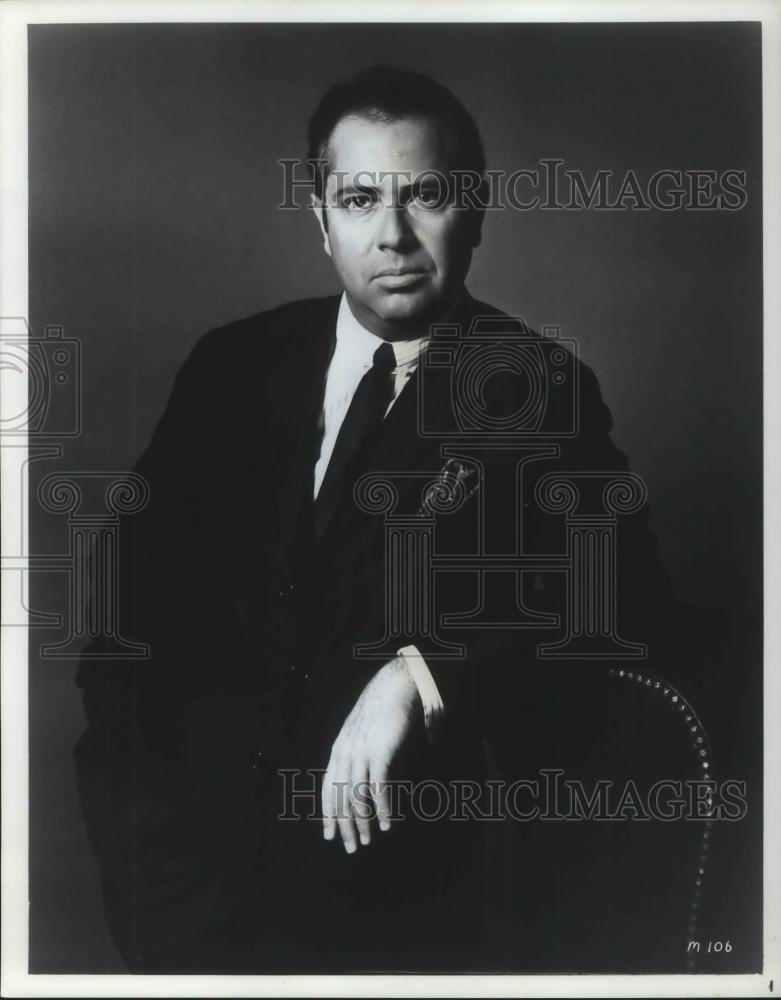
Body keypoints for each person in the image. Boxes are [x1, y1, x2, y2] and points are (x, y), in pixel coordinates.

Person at [74, 65, 692, 974]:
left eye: (426, 197)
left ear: (474, 211)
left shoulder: (538, 387)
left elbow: (623, 600)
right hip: (182, 876)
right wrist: (136, 808)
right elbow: (130, 584)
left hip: (393, 893)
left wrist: (421, 673)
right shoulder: (234, 364)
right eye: (359, 199)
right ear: (320, 219)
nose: (393, 236)